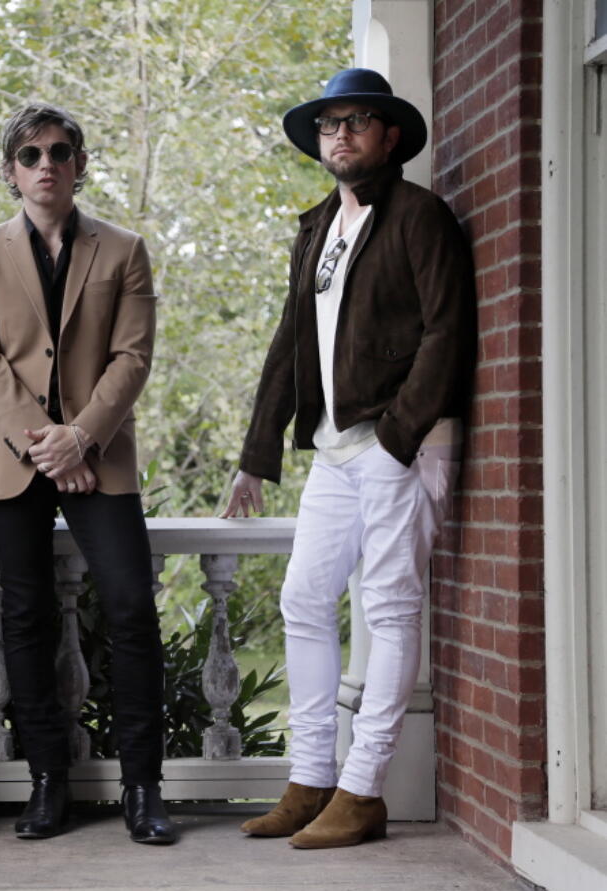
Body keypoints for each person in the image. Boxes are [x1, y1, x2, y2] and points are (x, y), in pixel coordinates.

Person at [222, 69, 476, 849]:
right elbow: (290, 344)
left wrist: (401, 432)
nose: (340, 135)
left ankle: (363, 791)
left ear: (389, 135)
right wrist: (256, 454)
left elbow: (447, 332)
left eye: (356, 122)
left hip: (401, 443)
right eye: (329, 124)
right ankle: (311, 778)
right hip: (335, 450)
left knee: (392, 606)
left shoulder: (420, 218)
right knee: (304, 597)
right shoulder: (320, 226)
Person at [0, 102, 176, 845]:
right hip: (17, 458)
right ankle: (48, 779)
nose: (45, 164)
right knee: (24, 617)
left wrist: (81, 439)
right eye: (29, 154)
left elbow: (133, 357)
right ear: (9, 170)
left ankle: (144, 786)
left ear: (80, 162)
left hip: (99, 453)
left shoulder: (125, 250)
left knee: (131, 609)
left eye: (58, 151)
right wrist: (44, 444)